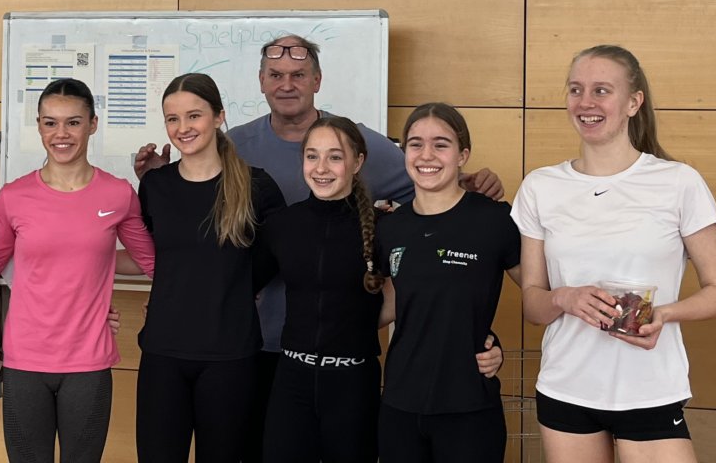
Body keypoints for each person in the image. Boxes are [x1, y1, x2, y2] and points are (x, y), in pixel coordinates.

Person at [134, 35, 506, 461]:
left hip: (348, 370)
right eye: (276, 75)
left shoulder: (363, 171)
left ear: (317, 81)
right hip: (264, 351)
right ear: (261, 82)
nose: (286, 84)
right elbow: (217, 257)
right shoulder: (235, 148)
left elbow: (432, 222)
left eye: (298, 75)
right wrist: (177, 302)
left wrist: (465, 183)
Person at [511, 45, 716, 463]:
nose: (586, 102)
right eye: (576, 90)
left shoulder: (679, 182)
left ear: (634, 102)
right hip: (566, 387)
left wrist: (663, 315)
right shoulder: (540, 187)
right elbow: (533, 305)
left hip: (651, 389)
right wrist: (564, 298)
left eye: (601, 90)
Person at [252, 115, 506, 462]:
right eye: (312, 156)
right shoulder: (282, 226)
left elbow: (437, 290)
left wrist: (486, 339)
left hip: (354, 383)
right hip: (290, 380)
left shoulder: (386, 227)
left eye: (335, 156)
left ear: (358, 162)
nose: (321, 167)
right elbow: (238, 286)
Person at [0, 77, 155, 462]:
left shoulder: (117, 193)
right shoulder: (14, 197)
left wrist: (95, 267)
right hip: (25, 360)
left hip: (88, 361)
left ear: (92, 124)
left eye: (73, 122)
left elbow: (151, 262)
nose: (61, 134)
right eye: (50, 123)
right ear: (39, 126)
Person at [135, 73, 286, 462]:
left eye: (194, 115)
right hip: (163, 353)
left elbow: (275, 257)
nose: (183, 128)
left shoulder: (256, 187)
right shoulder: (155, 185)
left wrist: (234, 287)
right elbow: (160, 255)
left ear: (219, 116)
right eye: (173, 119)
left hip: (230, 356)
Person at [374, 103, 521, 462]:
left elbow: (538, 294)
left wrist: (492, 342)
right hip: (400, 403)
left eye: (440, 144)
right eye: (415, 144)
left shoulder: (494, 220)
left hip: (469, 406)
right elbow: (392, 304)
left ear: (462, 155)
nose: (426, 155)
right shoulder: (390, 227)